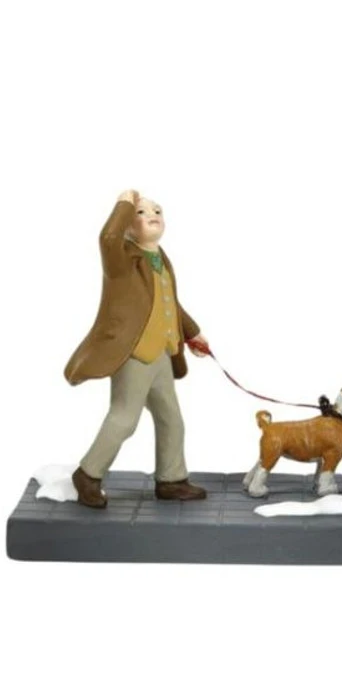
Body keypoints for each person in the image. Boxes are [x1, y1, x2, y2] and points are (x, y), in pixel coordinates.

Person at [64, 190, 211, 508]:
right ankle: (88, 474)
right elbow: (107, 237)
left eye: (157, 210)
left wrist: (193, 333)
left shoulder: (160, 258)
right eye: (141, 213)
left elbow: (169, 302)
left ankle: (171, 480)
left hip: (162, 354)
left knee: (171, 418)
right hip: (134, 354)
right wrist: (125, 203)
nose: (153, 215)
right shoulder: (120, 260)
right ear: (128, 225)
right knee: (124, 418)